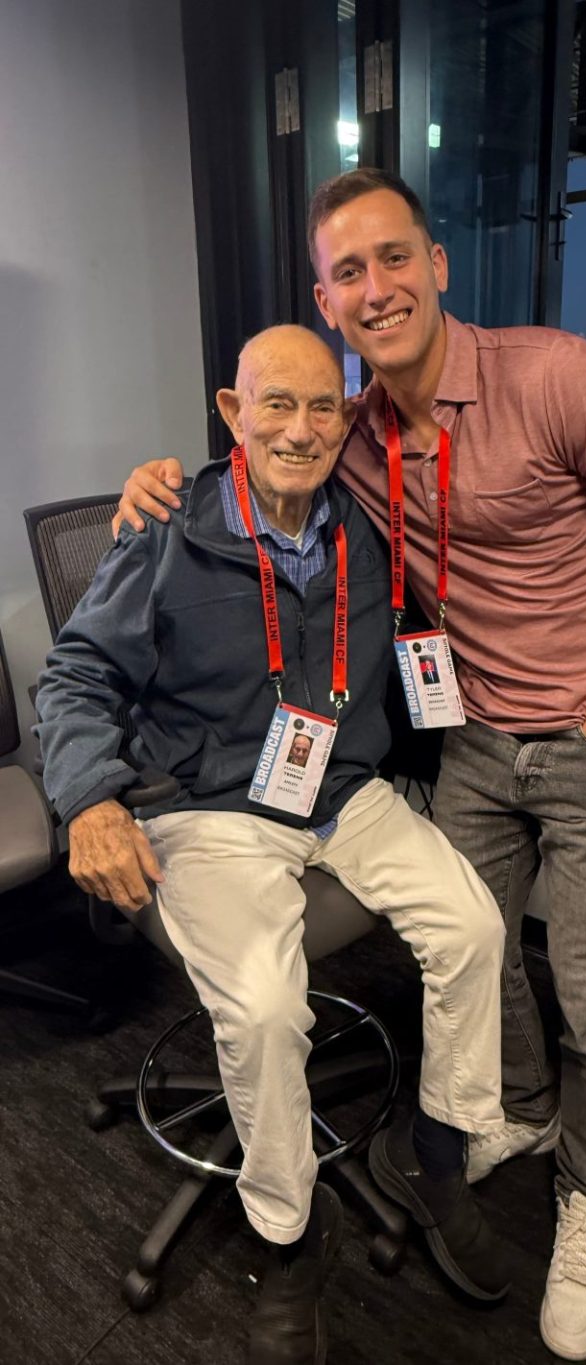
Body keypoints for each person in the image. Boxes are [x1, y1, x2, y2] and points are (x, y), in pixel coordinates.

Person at [116, 169, 586, 1361]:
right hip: (475, 744)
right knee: (482, 957)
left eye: (395, 258)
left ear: (438, 267)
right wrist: (158, 481)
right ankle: (516, 1116)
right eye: (350, 271)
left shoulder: (554, 376)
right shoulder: (351, 432)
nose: (375, 287)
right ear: (327, 299)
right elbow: (262, 453)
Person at [35, 324, 516, 1365]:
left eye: (323, 408)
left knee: (475, 926)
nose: (300, 430)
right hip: (208, 806)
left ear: (347, 420)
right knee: (260, 1008)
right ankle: (287, 1234)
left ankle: (438, 1156)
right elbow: (74, 677)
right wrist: (89, 803)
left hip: (345, 789)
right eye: (276, 406)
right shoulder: (165, 527)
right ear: (231, 412)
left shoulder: (368, 529)